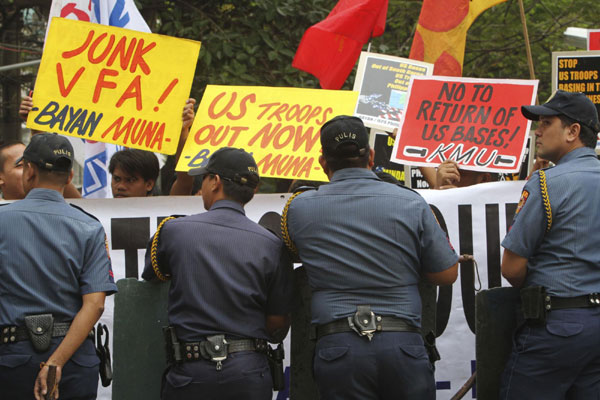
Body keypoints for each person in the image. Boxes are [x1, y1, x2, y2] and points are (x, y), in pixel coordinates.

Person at [282, 115, 458, 400]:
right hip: (403, 345)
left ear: (322, 163)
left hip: (338, 348)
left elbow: (291, 253)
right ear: (372, 156)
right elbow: (447, 273)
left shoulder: (298, 208)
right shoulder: (411, 201)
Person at [142, 147, 293, 400]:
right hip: (249, 373)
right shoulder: (273, 245)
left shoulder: (174, 231)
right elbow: (278, 324)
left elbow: (153, 274)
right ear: (253, 191)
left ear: (215, 182)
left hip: (191, 373)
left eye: (206, 177)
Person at [0, 133, 117, 399]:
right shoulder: (90, 226)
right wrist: (56, 362)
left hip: (12, 360)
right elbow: (96, 304)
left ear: (29, 171)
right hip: (74, 361)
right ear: (67, 178)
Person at [500, 90, 600, 399]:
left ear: (573, 131)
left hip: (556, 326)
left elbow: (512, 267)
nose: (537, 131)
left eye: (546, 123)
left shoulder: (546, 183)